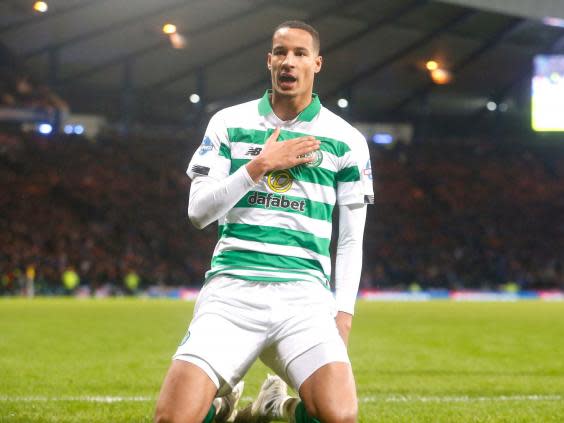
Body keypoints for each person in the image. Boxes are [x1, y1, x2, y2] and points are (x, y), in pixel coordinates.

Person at [155, 20, 373, 423]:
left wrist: (343, 314)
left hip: (304, 299)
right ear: (269, 61)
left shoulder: (346, 140)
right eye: (280, 52)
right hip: (231, 294)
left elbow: (350, 240)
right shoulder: (227, 123)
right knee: (172, 419)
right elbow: (198, 213)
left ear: (317, 64)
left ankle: (278, 405)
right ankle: (222, 403)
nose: (288, 62)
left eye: (300, 53)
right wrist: (259, 166)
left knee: (339, 417)